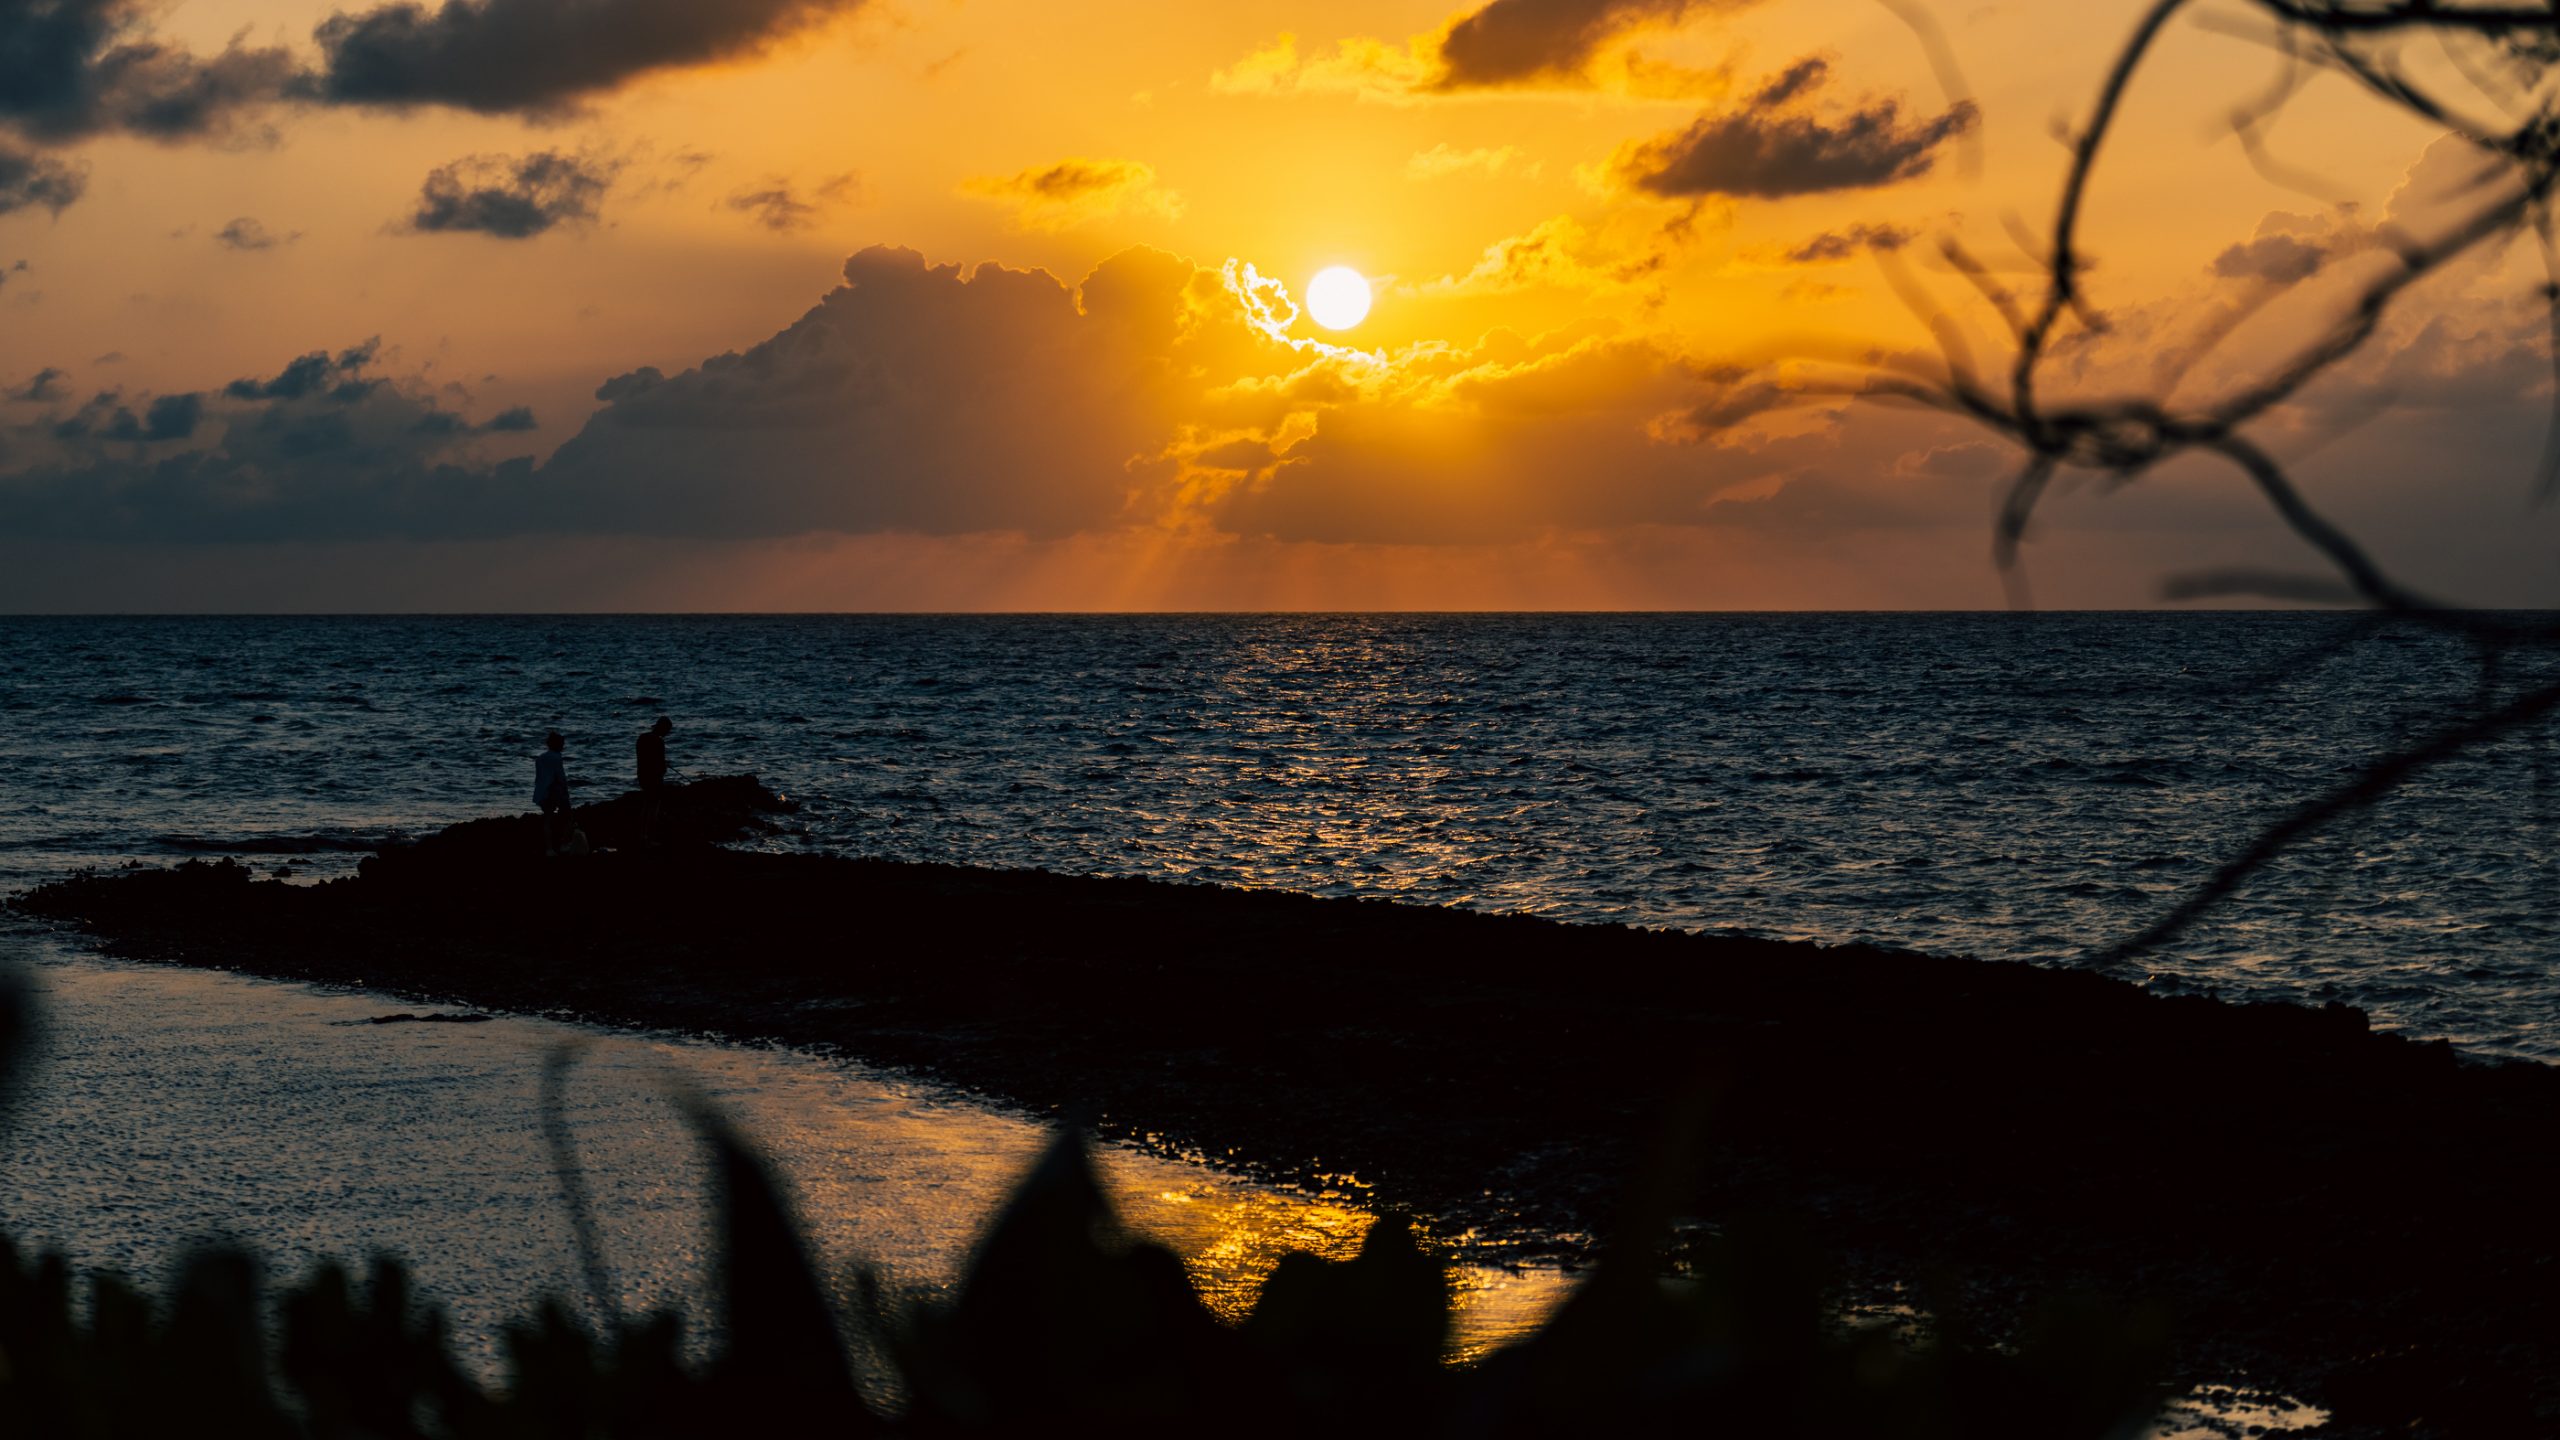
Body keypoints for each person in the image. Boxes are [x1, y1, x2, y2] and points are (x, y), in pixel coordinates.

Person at [534, 731, 573, 856]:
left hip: (544, 792)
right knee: (568, 818)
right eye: (562, 744)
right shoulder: (557, 757)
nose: (563, 746)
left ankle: (549, 849)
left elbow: (539, 778)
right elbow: (560, 777)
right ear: (557, 744)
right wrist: (565, 792)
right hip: (556, 791)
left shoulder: (540, 758)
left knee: (548, 820)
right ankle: (564, 844)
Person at [636, 715, 673, 841]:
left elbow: (642, 759)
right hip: (654, 779)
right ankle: (650, 836)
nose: (667, 733)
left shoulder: (642, 738)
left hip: (642, 777)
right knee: (653, 808)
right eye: (667, 730)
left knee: (646, 806)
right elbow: (662, 766)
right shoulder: (658, 741)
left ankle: (642, 834)